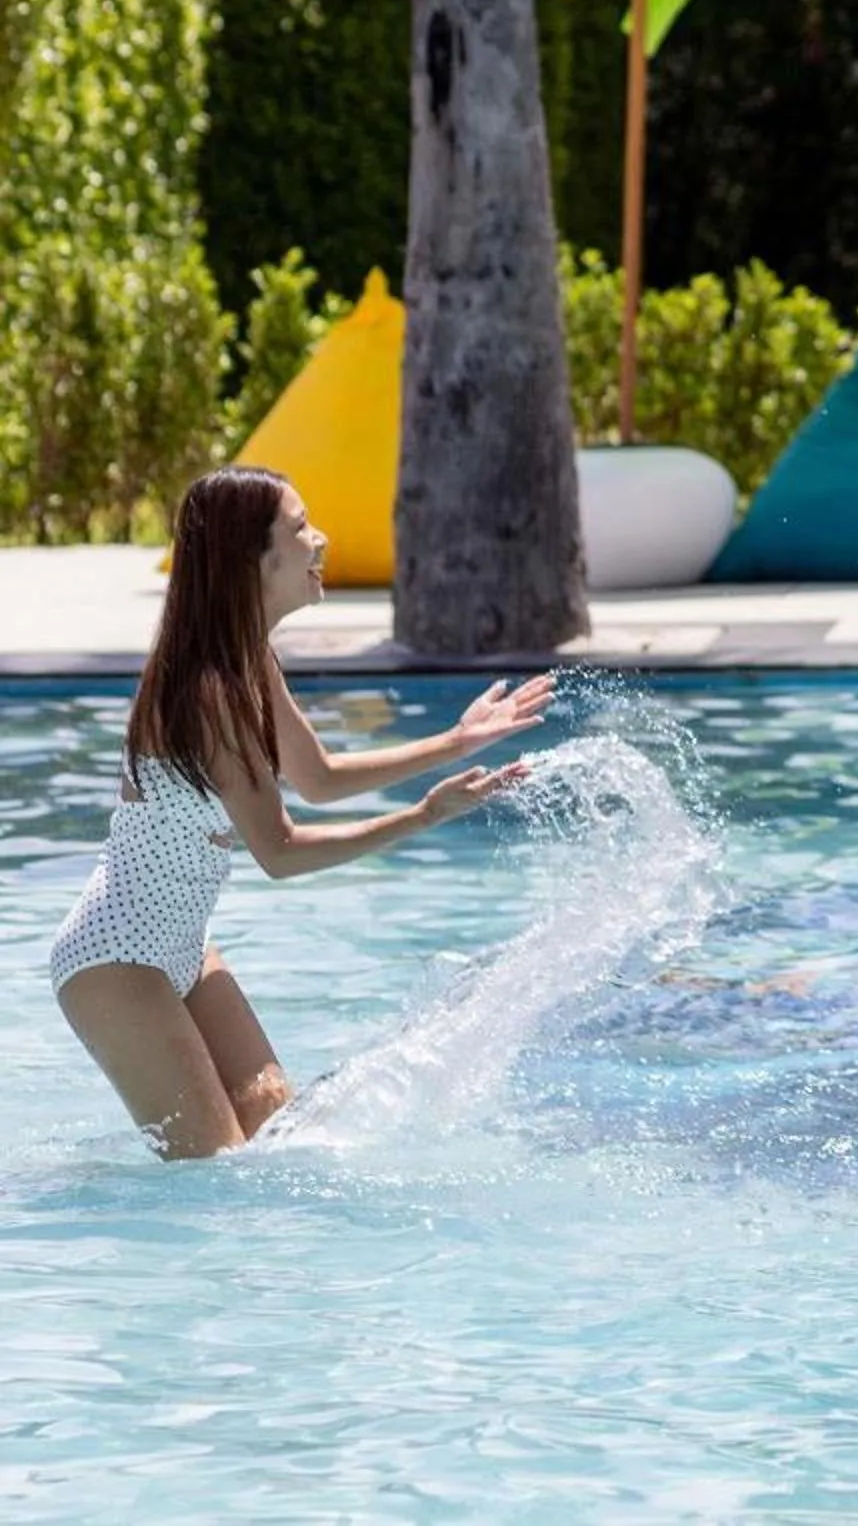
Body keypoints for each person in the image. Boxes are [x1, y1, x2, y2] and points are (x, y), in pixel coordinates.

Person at [50, 466, 549, 1158]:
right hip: (114, 957)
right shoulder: (211, 690)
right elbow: (280, 852)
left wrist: (456, 741)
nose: (321, 540)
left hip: (183, 946)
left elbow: (319, 778)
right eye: (300, 527)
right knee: (218, 1172)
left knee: (278, 1139)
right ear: (252, 559)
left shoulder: (248, 659)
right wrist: (424, 816)